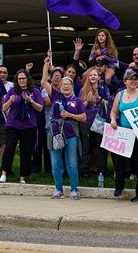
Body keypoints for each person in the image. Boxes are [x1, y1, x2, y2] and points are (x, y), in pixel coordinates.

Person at [41, 56, 86, 200]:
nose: (66, 86)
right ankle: (58, 189)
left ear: (72, 87)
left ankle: (74, 189)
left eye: (68, 84)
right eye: (63, 84)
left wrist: (70, 115)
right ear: (60, 86)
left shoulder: (77, 101)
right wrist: (46, 66)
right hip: (55, 134)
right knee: (56, 163)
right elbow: (43, 82)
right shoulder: (56, 96)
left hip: (71, 134)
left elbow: (83, 117)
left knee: (71, 163)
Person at [110, 70, 138, 202]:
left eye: (135, 79)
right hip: (125, 133)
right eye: (130, 79)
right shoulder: (120, 94)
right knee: (120, 162)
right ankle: (119, 186)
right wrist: (113, 120)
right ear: (125, 81)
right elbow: (114, 111)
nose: (133, 81)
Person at [0, 70, 43, 184]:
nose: (22, 80)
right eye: (19, 79)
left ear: (28, 79)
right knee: (9, 149)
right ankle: (4, 173)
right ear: (16, 80)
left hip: (29, 126)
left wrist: (30, 100)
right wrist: (11, 101)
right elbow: (4, 108)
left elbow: (40, 108)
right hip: (13, 124)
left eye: (23, 78)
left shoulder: (35, 91)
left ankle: (23, 176)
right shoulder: (12, 91)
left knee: (26, 151)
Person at [79, 68, 110, 179]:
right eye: (90, 75)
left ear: (99, 77)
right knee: (86, 147)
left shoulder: (104, 88)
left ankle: (102, 170)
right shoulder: (83, 90)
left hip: (100, 121)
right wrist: (87, 101)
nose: (92, 76)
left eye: (95, 75)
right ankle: (85, 170)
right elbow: (79, 108)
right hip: (86, 121)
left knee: (101, 147)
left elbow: (109, 103)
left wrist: (100, 99)